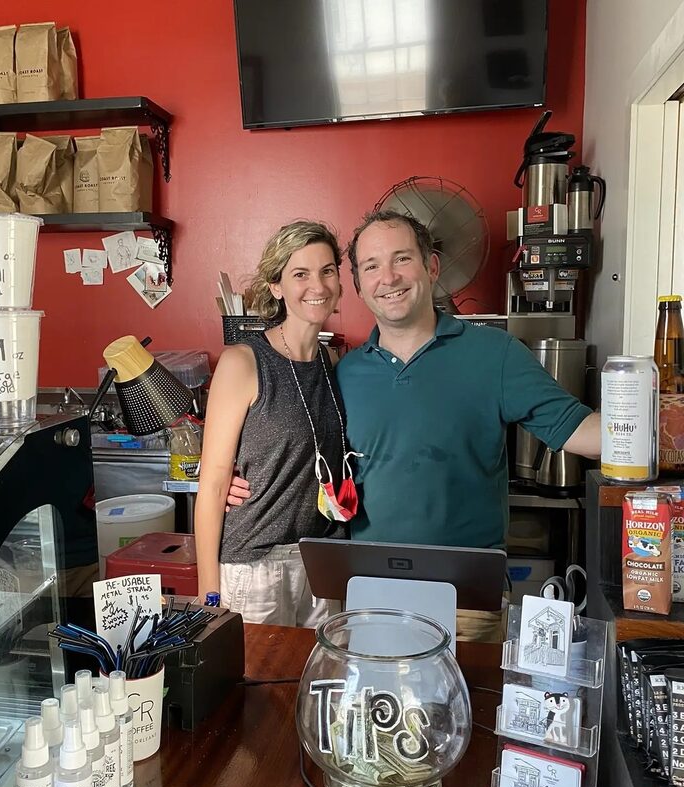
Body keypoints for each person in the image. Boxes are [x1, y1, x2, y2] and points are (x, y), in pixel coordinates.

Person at [229, 209, 601, 640]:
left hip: (466, 602)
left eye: (402, 259)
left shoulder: (495, 354)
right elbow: (301, 450)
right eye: (371, 266)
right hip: (366, 598)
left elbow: (581, 431)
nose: (388, 278)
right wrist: (229, 481)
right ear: (358, 285)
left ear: (432, 266)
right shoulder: (344, 373)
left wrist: (653, 435)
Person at [195, 220, 352, 627]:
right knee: (257, 670)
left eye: (327, 271)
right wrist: (208, 594)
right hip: (256, 566)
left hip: (320, 559)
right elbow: (213, 485)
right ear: (276, 286)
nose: (317, 286)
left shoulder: (331, 361)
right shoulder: (244, 362)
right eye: (300, 274)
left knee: (319, 667)